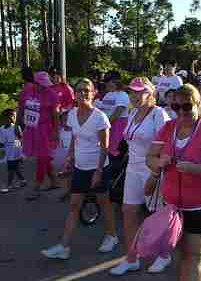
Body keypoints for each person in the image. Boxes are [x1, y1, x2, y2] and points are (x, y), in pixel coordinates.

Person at [146, 84, 201, 281]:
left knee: (193, 255)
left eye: (187, 106)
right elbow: (150, 156)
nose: (181, 112)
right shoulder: (168, 128)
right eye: (176, 107)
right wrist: (158, 163)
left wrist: (192, 168)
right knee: (181, 254)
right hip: (173, 205)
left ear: (198, 104)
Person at [41, 78, 118, 259]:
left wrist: (99, 171)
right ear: (74, 94)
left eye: (86, 90)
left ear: (93, 93)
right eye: (79, 90)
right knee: (74, 204)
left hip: (98, 168)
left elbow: (105, 147)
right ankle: (64, 246)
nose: (83, 93)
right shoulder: (72, 114)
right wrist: (69, 157)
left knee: (104, 202)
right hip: (80, 167)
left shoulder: (100, 117)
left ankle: (112, 236)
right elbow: (76, 138)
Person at [110, 77, 170, 276]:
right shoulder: (132, 112)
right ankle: (131, 258)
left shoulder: (158, 114)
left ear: (150, 94)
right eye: (132, 92)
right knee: (128, 211)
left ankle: (164, 254)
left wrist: (157, 170)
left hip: (153, 170)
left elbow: (167, 145)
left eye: (140, 92)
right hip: (133, 169)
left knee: (157, 214)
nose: (135, 96)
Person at [19, 71, 59, 200]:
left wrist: (56, 131)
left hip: (45, 129)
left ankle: (37, 185)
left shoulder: (51, 94)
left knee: (42, 156)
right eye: (40, 84)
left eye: (45, 84)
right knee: (43, 156)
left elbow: (55, 114)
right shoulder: (27, 91)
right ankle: (54, 180)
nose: (43, 87)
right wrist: (18, 124)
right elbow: (21, 108)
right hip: (30, 128)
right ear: (35, 83)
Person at [95, 72, 129, 174]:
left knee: (115, 152)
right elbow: (103, 109)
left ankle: (114, 178)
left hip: (117, 127)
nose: (106, 84)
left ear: (116, 82)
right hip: (108, 126)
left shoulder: (123, 95)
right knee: (105, 149)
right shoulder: (108, 94)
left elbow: (118, 112)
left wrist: (105, 125)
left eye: (108, 82)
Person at [0, 109, 26, 192]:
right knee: (15, 168)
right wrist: (4, 150)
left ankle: (9, 185)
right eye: (6, 118)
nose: (10, 119)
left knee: (11, 169)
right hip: (8, 151)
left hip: (15, 151)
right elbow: (2, 141)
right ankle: (23, 180)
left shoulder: (16, 127)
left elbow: (19, 140)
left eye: (12, 117)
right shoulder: (2, 128)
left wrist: (20, 154)